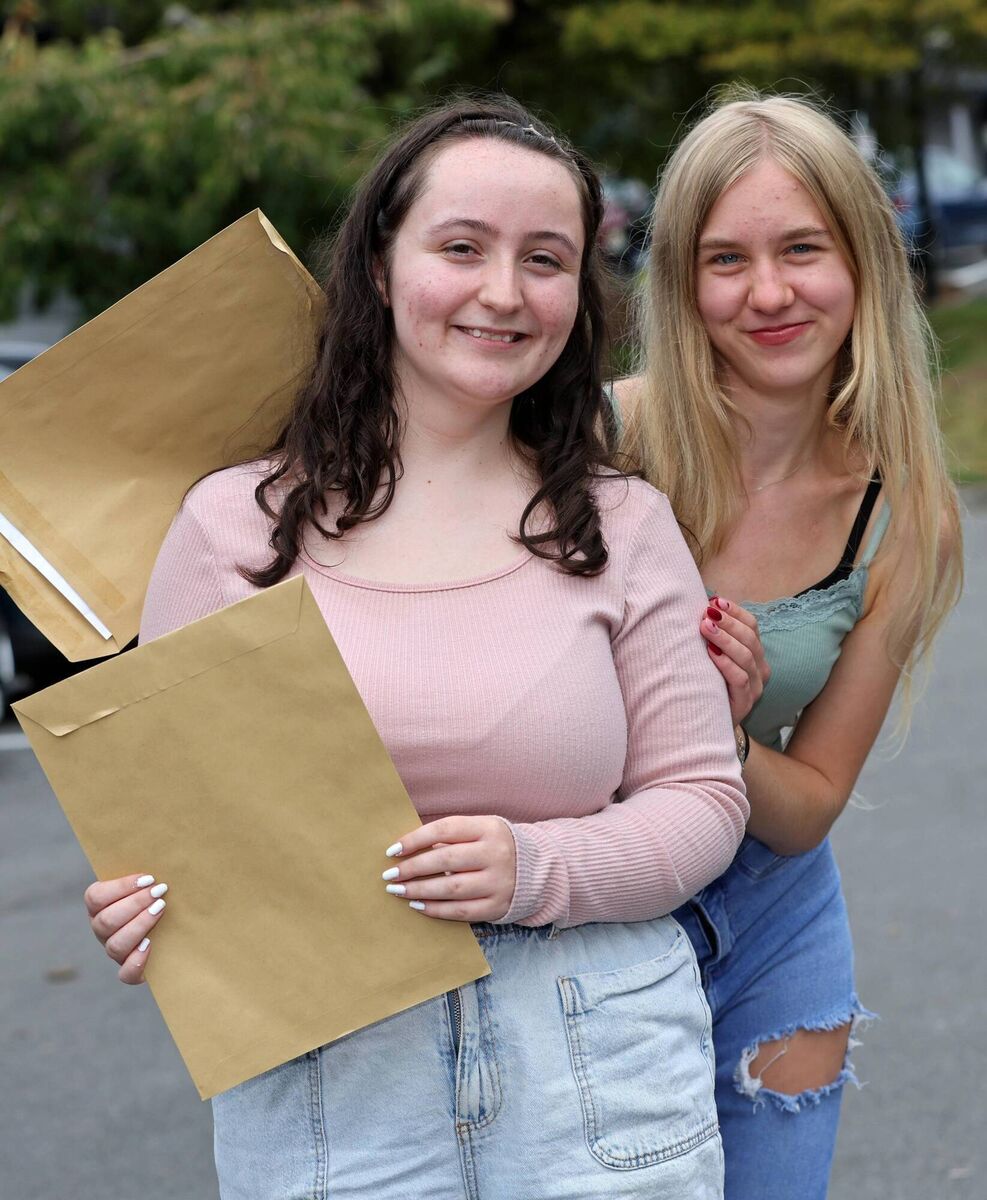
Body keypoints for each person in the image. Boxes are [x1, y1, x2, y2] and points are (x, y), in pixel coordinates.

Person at [82, 97, 749, 1199]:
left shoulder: (623, 523)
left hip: (594, 1067)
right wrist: (145, 905)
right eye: (461, 247)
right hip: (327, 1081)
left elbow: (703, 801)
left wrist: (536, 868)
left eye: (546, 260)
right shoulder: (230, 526)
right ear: (380, 269)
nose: (503, 292)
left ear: (580, 299)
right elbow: (176, 825)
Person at [617, 93, 963, 1200]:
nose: (768, 293)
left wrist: (717, 724)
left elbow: (810, 799)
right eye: (727, 260)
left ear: (862, 260)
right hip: (593, 913)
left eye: (803, 249)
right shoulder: (603, 442)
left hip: (774, 919)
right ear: (681, 283)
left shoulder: (902, 510)